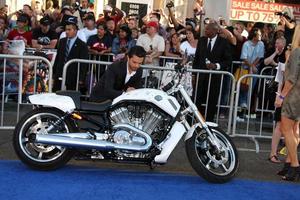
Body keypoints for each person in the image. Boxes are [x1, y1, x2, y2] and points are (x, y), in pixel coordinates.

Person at [192, 22, 232, 122]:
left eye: (208, 29)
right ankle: (196, 120)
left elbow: (228, 60)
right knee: (197, 99)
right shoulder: (202, 40)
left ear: (215, 31)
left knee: (212, 101)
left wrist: (216, 66)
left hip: (215, 78)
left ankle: (209, 122)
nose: (205, 31)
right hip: (201, 76)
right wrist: (194, 74)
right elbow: (197, 58)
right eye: (205, 29)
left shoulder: (223, 42)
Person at [275, 25, 300, 181]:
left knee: (286, 129)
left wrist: (281, 97)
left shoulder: (297, 52)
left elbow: (291, 79)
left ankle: (295, 166)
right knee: (294, 130)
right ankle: (289, 163)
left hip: (294, 96)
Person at [52, 16, 88, 92]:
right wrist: (54, 72)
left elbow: (84, 63)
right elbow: (58, 57)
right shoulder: (62, 41)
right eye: (66, 30)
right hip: (60, 73)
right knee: (56, 94)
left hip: (73, 75)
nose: (67, 32)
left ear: (75, 31)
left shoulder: (82, 45)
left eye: (69, 30)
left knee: (70, 95)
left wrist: (81, 78)